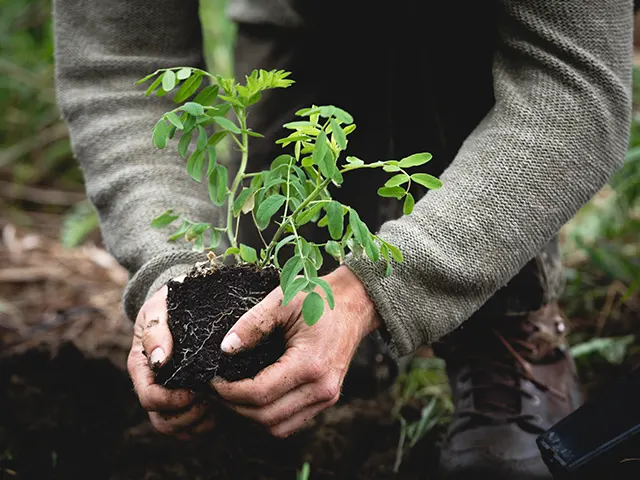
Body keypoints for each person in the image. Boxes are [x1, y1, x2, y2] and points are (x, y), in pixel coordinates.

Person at [53, 0, 633, 477]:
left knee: (450, 46)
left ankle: (507, 329)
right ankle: (319, 343)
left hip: (478, 26)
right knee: (273, 246)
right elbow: (119, 65)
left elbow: (572, 87)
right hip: (301, 20)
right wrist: (174, 270)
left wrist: (374, 289)